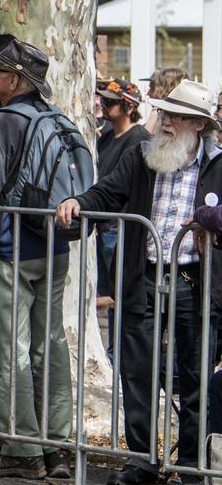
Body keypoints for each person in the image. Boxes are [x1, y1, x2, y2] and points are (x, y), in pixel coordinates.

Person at [58, 79, 222, 484]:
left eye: (178, 117)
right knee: (138, 371)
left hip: (195, 283)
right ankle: (143, 459)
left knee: (196, 374)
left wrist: (211, 221)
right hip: (142, 278)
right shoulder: (140, 154)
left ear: (199, 125)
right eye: (165, 113)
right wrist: (80, 203)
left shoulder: (219, 165)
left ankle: (190, 465)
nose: (166, 122)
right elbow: (107, 193)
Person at [0, 38, 73, 479]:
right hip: (54, 246)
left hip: (7, 251)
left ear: (14, 79)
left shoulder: (3, 122)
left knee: (8, 350)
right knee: (51, 347)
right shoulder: (55, 116)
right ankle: (57, 446)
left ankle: (22, 451)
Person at [93, 79, 150, 342]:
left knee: (119, 296)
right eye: (102, 100)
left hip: (119, 227)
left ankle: (119, 353)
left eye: (110, 102)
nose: (103, 105)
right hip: (102, 226)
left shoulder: (139, 139)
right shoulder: (105, 136)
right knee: (107, 293)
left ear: (128, 106)